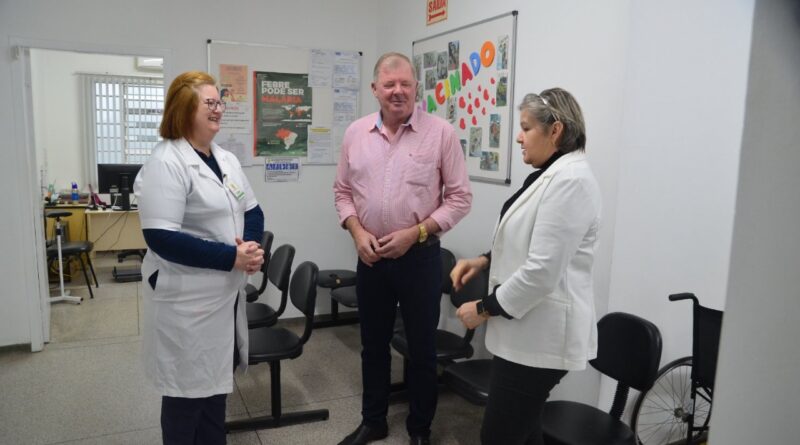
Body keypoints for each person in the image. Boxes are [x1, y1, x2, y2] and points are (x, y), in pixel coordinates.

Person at [333, 52, 472, 445]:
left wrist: (418, 232)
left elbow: (460, 198)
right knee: (372, 346)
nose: (398, 91)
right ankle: (373, 420)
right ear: (375, 89)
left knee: (422, 350)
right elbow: (342, 193)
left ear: (416, 88)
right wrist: (357, 232)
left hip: (420, 259)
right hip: (371, 257)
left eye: (405, 84)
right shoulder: (355, 134)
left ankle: (420, 430)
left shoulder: (441, 134)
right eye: (389, 84)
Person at [451, 88, 601, 445]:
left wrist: (483, 309)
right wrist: (484, 260)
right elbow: (529, 242)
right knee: (525, 432)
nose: (518, 137)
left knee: (500, 436)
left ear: (556, 131)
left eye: (526, 128)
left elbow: (541, 271)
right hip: (526, 335)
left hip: (541, 341)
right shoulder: (550, 174)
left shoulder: (571, 181)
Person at [134, 71, 265, 445]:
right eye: (210, 102)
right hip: (187, 302)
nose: (218, 109)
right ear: (184, 108)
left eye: (220, 102)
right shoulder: (167, 161)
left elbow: (253, 211)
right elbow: (161, 237)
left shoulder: (225, 159)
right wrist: (232, 257)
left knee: (215, 394)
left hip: (223, 296)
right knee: (185, 399)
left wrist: (251, 249)